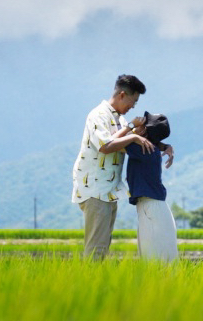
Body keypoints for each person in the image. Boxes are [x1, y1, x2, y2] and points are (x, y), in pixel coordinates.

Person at [72, 74, 157, 260]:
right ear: (121, 95)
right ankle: (88, 285)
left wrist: (159, 145)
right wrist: (133, 135)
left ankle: (94, 284)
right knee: (96, 248)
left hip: (109, 190)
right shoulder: (98, 115)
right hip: (95, 190)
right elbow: (105, 146)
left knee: (102, 247)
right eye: (133, 101)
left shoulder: (120, 120)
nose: (133, 106)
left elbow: (124, 143)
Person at [126, 111, 179, 262]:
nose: (139, 124)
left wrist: (131, 127)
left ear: (145, 131)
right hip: (154, 206)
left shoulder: (143, 149)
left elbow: (109, 143)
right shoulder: (151, 149)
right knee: (156, 260)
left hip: (151, 208)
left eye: (142, 124)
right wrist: (165, 145)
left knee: (153, 262)